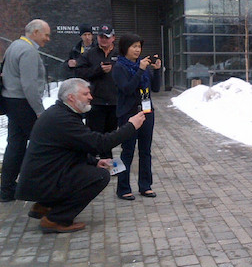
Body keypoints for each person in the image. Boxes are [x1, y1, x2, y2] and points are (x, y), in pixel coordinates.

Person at [15, 78, 146, 233]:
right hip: (43, 180)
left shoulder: (62, 113)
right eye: (85, 94)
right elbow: (99, 143)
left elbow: (73, 148)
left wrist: (94, 162)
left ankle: (45, 205)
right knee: (100, 176)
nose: (90, 97)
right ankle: (56, 219)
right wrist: (131, 126)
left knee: (93, 169)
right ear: (71, 97)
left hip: (44, 176)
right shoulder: (63, 119)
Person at [0, 19, 50, 202]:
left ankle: (7, 188)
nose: (48, 39)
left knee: (16, 145)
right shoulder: (28, 51)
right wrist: (39, 110)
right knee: (42, 143)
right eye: (46, 35)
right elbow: (29, 85)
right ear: (35, 32)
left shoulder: (14, 46)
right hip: (24, 104)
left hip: (12, 101)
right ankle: (39, 185)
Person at [112, 34, 162, 201]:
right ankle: (123, 188)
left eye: (139, 46)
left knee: (145, 151)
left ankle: (145, 185)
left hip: (147, 112)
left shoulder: (143, 65)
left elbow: (155, 88)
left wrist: (156, 70)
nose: (137, 50)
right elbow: (127, 89)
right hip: (128, 113)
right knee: (127, 151)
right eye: (134, 46)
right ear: (125, 48)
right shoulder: (119, 67)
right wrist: (140, 70)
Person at [74, 24, 118, 158]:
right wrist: (98, 70)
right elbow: (79, 72)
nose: (103, 39)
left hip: (114, 103)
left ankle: (107, 161)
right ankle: (93, 162)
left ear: (113, 38)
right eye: (101, 37)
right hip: (96, 102)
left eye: (106, 37)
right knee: (94, 135)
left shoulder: (120, 54)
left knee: (110, 136)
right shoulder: (89, 54)